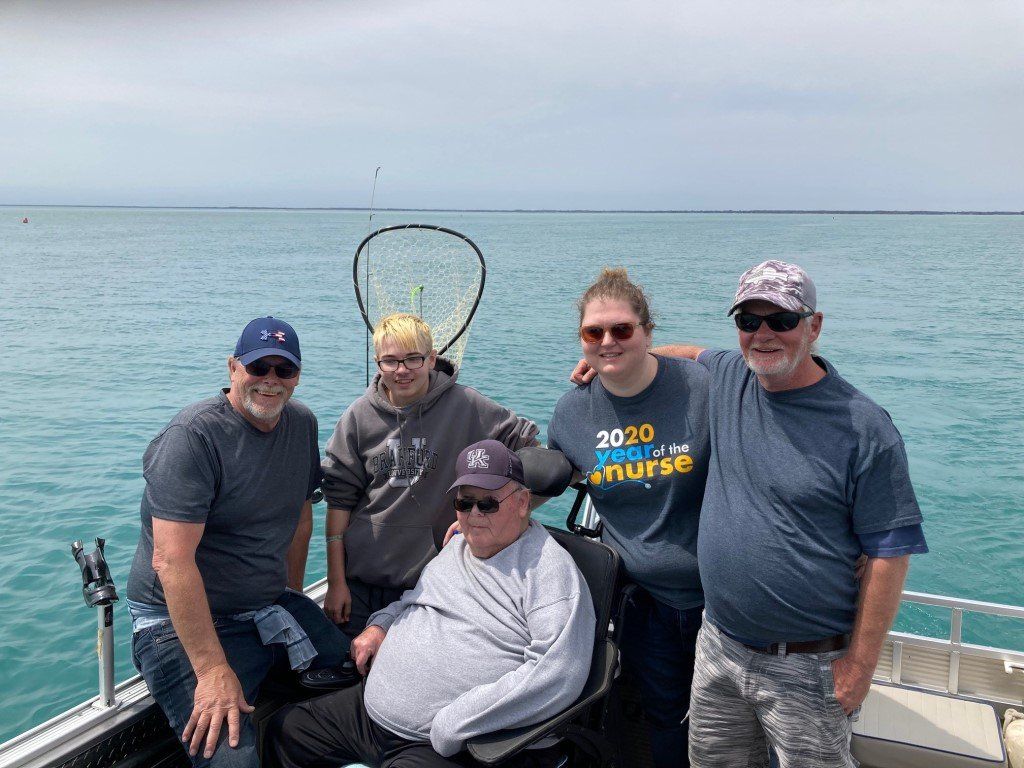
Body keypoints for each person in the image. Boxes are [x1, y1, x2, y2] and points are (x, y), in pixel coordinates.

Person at [575, 261, 927, 768]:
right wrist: (619, 358)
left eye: (781, 320)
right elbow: (691, 353)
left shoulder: (864, 427)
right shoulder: (730, 376)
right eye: (748, 320)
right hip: (718, 644)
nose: (763, 334)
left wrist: (860, 667)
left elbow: (889, 553)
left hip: (809, 663)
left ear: (814, 325)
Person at [264, 439, 595, 768]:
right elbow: (415, 601)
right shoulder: (457, 546)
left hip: (450, 741)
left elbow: (558, 672)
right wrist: (381, 625)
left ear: (523, 502)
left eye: (488, 504)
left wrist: (456, 721)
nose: (475, 515)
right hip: (371, 713)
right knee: (287, 731)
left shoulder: (549, 570)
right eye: (465, 503)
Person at [125, 317, 346, 768]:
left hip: (266, 604)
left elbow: (300, 517)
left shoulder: (301, 423)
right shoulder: (193, 437)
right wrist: (210, 670)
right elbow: (171, 561)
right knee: (230, 758)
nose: (270, 381)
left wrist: (293, 595)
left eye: (283, 371)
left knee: (362, 680)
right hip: (176, 621)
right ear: (232, 368)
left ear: (297, 376)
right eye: (257, 367)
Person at [548, 267, 710, 768]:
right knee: (664, 717)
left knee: (728, 723)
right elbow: (548, 477)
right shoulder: (574, 413)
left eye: (622, 330)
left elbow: (749, 361)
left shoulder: (700, 389)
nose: (608, 341)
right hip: (644, 604)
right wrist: (475, 519)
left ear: (648, 331)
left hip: (722, 601)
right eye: (594, 333)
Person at [320, 312, 539, 638]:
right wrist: (336, 583)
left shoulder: (466, 404)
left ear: (432, 359)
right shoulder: (357, 417)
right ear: (378, 363)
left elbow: (529, 450)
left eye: (413, 359)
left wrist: (493, 510)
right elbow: (339, 503)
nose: (402, 370)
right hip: (359, 583)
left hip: (431, 584)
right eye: (390, 361)